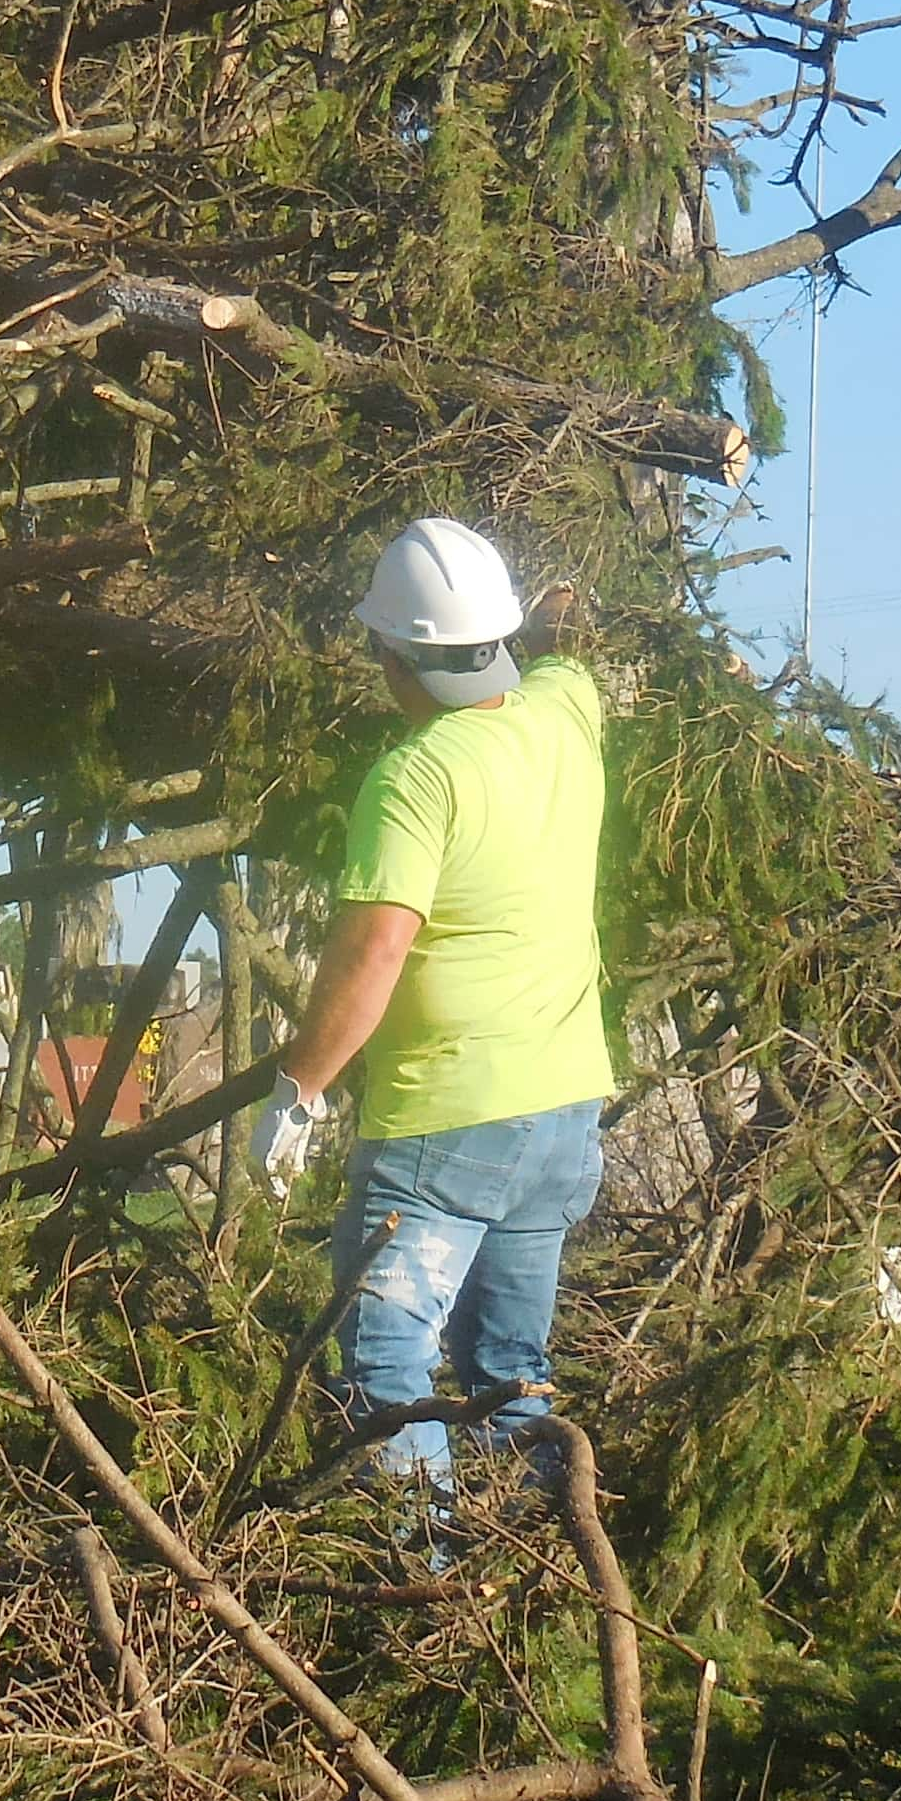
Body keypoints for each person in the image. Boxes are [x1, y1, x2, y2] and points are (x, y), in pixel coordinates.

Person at [250, 518, 612, 1483]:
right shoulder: (568, 712)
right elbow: (566, 645)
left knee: (386, 1371)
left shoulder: (415, 776)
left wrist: (300, 1090)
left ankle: (427, 1586)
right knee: (510, 1372)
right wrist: (543, 613)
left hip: (446, 1130)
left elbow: (372, 955)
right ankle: (532, 1594)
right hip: (564, 1114)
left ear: (395, 658)